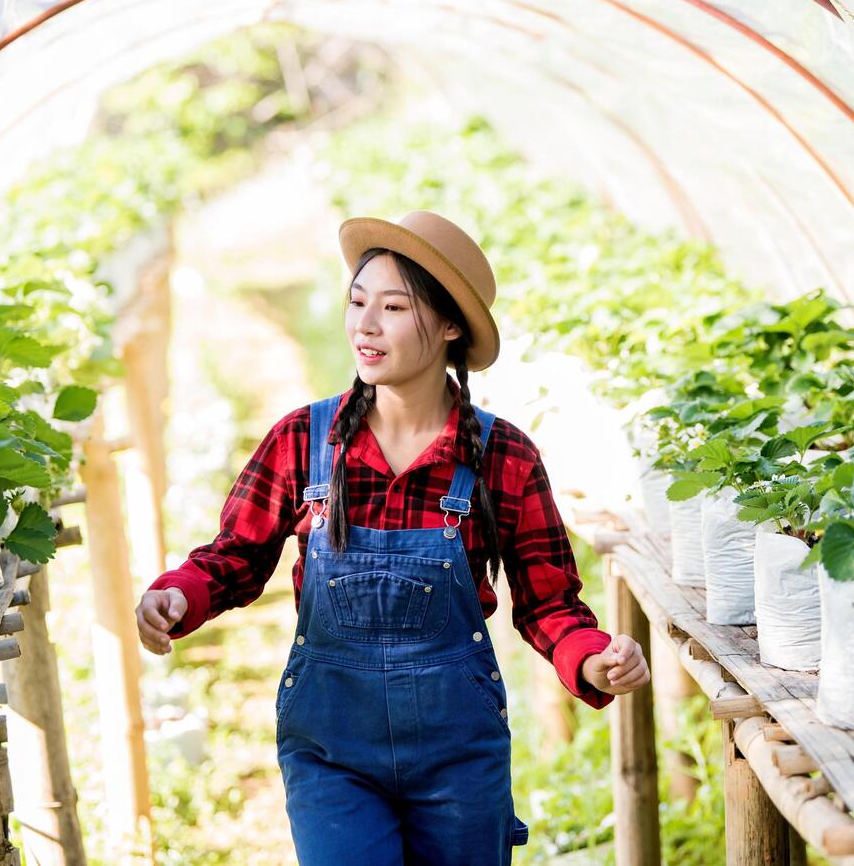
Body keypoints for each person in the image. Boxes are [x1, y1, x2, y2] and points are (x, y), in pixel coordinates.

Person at [135, 209, 649, 864]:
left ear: (449, 326)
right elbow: (235, 556)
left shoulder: (501, 456)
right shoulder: (305, 441)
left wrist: (592, 656)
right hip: (330, 754)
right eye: (356, 302)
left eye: (393, 307)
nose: (364, 326)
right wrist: (177, 596)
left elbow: (548, 603)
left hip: (457, 760)